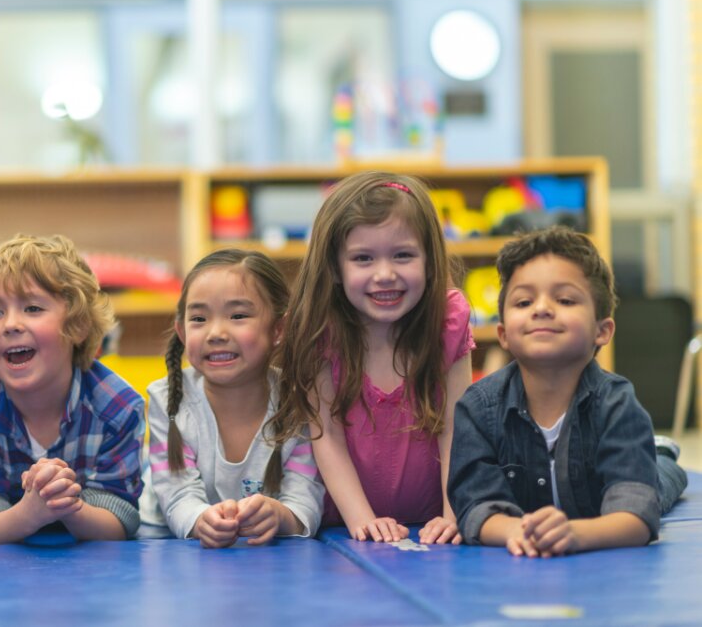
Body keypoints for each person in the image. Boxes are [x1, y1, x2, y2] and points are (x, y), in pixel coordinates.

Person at [448, 226, 688, 557]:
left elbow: (637, 516)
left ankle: (659, 454)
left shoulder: (617, 403)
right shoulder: (477, 407)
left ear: (602, 331)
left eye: (564, 299)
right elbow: (475, 505)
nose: (542, 309)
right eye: (524, 301)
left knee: (659, 483)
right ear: (503, 333)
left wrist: (576, 534)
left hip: (612, 498)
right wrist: (515, 531)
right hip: (530, 524)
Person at [272, 172, 474, 544]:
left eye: (403, 255)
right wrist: (362, 520)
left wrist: (455, 513)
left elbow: (454, 427)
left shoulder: (448, 320)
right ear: (335, 267)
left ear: (429, 260)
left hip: (432, 522)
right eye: (363, 258)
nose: (385, 274)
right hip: (346, 525)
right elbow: (327, 436)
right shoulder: (321, 329)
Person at [0, 234, 144, 545]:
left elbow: (118, 521)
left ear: (77, 326)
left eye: (32, 308)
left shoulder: (117, 406)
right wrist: (29, 514)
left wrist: (66, 506)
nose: (10, 324)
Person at [139, 249, 324, 548]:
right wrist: (201, 520)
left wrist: (281, 516)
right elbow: (177, 495)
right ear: (182, 333)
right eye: (199, 318)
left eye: (238, 316)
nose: (216, 332)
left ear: (278, 328)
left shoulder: (299, 401)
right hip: (163, 543)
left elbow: (305, 497)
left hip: (266, 560)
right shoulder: (168, 400)